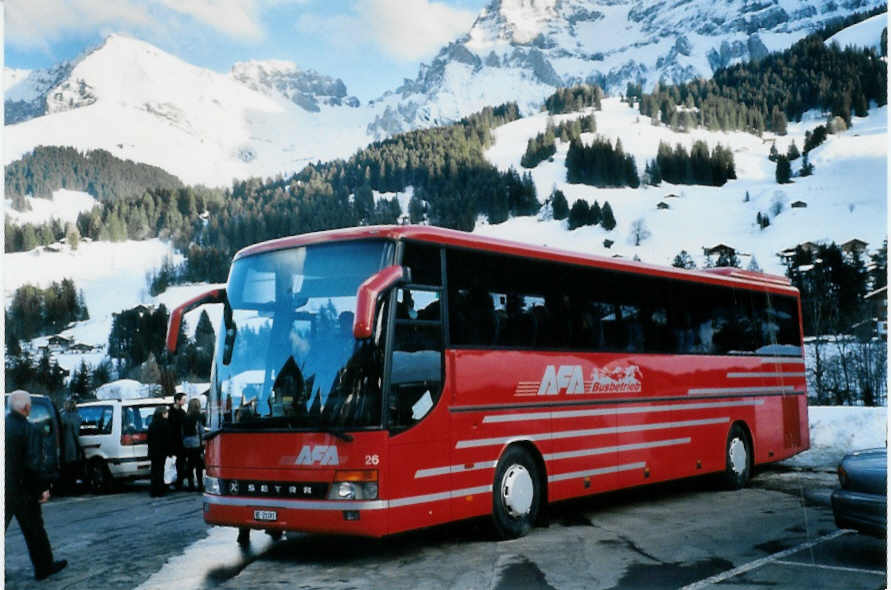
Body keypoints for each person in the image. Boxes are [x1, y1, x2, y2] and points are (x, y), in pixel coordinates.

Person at [5, 390, 68, 581]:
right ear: (26, 407)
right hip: (24, 491)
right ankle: (44, 567)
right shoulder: (29, 429)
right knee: (35, 531)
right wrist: (42, 488)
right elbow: (34, 464)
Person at [59, 399, 82, 495]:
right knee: (74, 468)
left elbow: (60, 423)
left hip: (68, 445)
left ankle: (68, 489)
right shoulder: (78, 416)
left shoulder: (65, 416)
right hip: (75, 445)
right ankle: (74, 488)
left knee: (68, 469)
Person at [181, 398, 205, 491]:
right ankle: (200, 484)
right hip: (196, 443)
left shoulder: (186, 417)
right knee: (199, 466)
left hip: (187, 443)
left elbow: (182, 431)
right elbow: (201, 430)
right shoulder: (199, 416)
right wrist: (203, 442)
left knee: (190, 465)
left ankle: (191, 485)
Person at [147, 406, 171, 497]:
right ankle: (160, 490)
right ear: (163, 413)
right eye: (166, 413)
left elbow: (149, 439)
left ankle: (154, 490)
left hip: (153, 451)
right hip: (162, 451)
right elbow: (168, 439)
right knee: (161, 470)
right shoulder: (166, 424)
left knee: (154, 470)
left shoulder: (152, 424)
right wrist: (170, 452)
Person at [168, 393, 187, 490]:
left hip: (180, 441)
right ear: (177, 400)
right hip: (172, 441)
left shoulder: (182, 412)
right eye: (183, 399)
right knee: (172, 463)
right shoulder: (170, 412)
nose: (185, 401)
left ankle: (179, 481)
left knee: (180, 463)